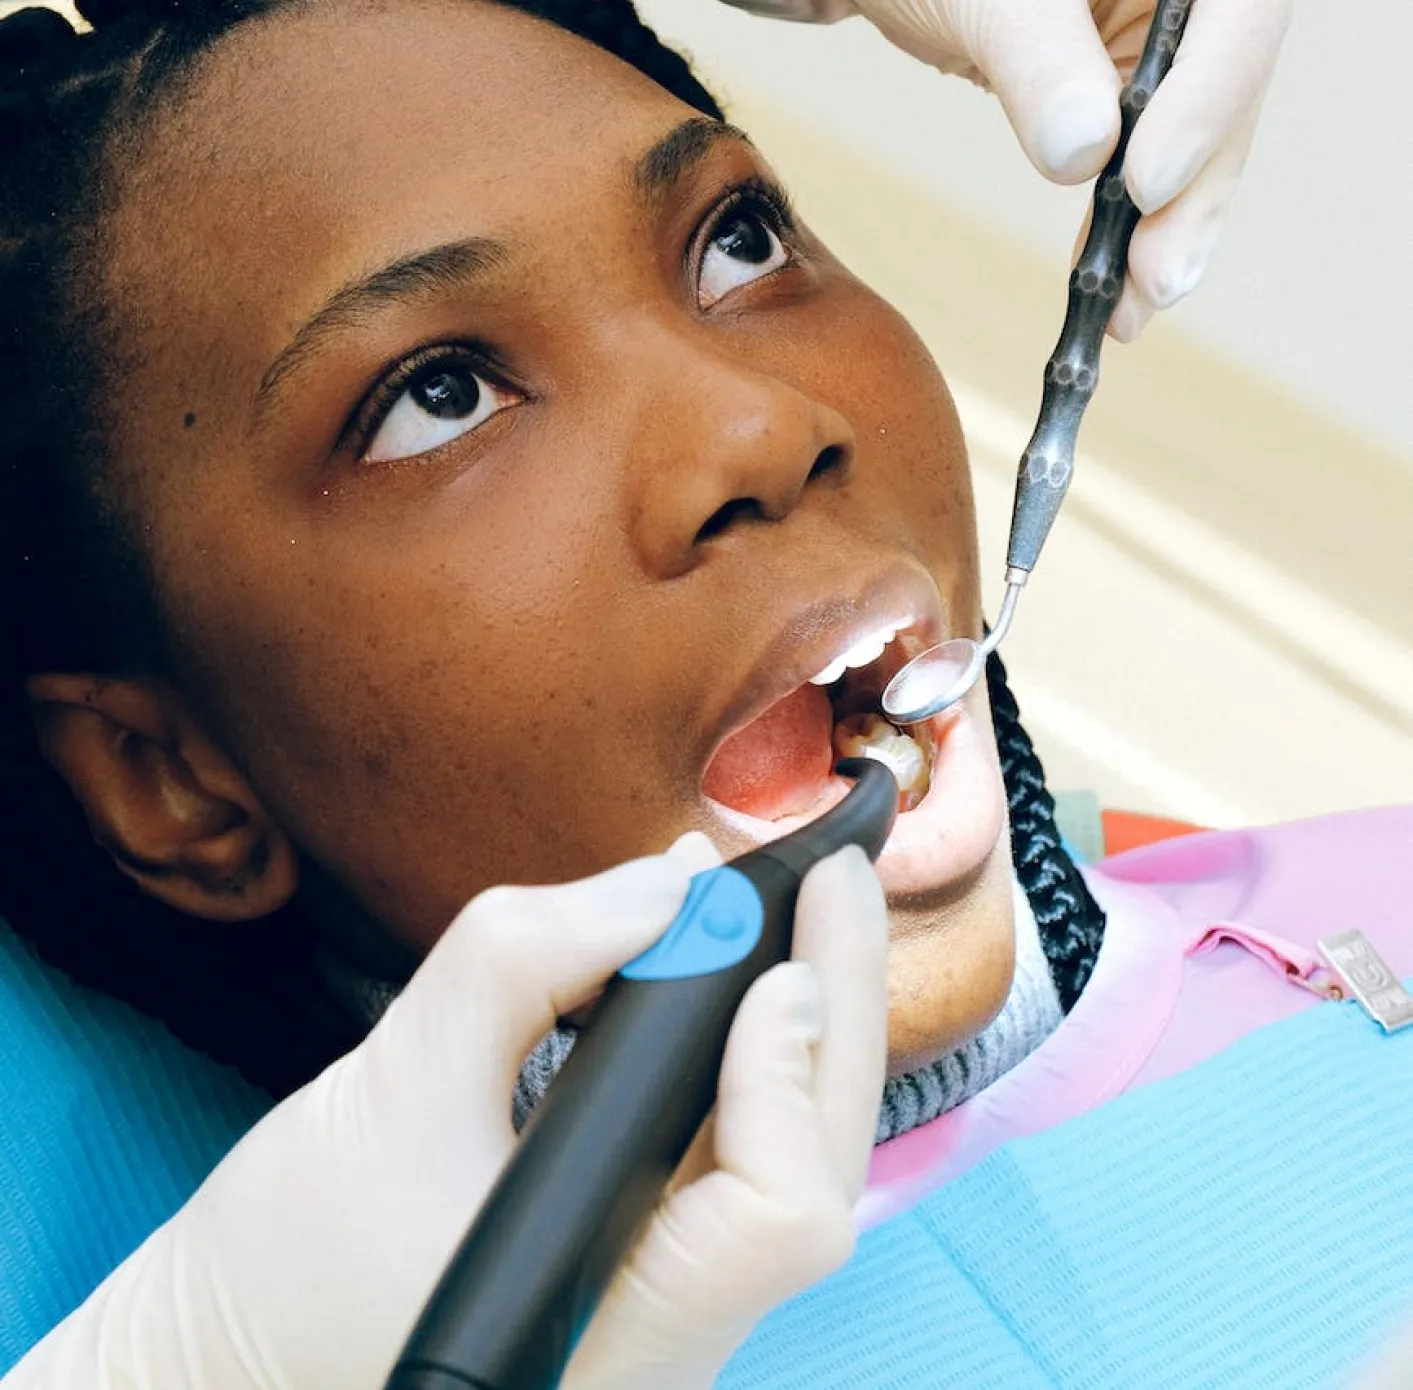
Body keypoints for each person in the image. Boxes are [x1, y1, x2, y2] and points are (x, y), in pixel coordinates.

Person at [7, 0, 1405, 1386]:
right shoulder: (213, 1329)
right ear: (169, 776)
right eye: (438, 396)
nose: (762, 427)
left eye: (739, 242)